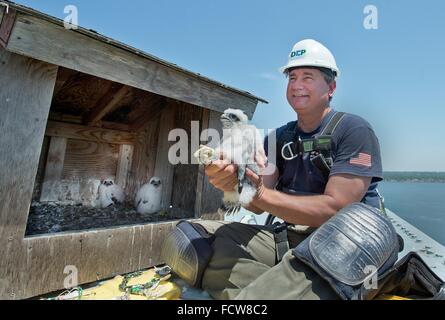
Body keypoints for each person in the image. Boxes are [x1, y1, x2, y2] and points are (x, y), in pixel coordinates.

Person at [161, 39, 384, 300]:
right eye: (292, 77)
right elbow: (257, 203)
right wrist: (237, 183)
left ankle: (271, 288)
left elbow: (335, 209)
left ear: (331, 87)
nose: (297, 85)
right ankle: (281, 287)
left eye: (308, 77)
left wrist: (258, 194)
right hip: (294, 239)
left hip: (348, 248)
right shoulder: (278, 138)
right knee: (198, 239)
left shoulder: (354, 130)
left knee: (242, 281)